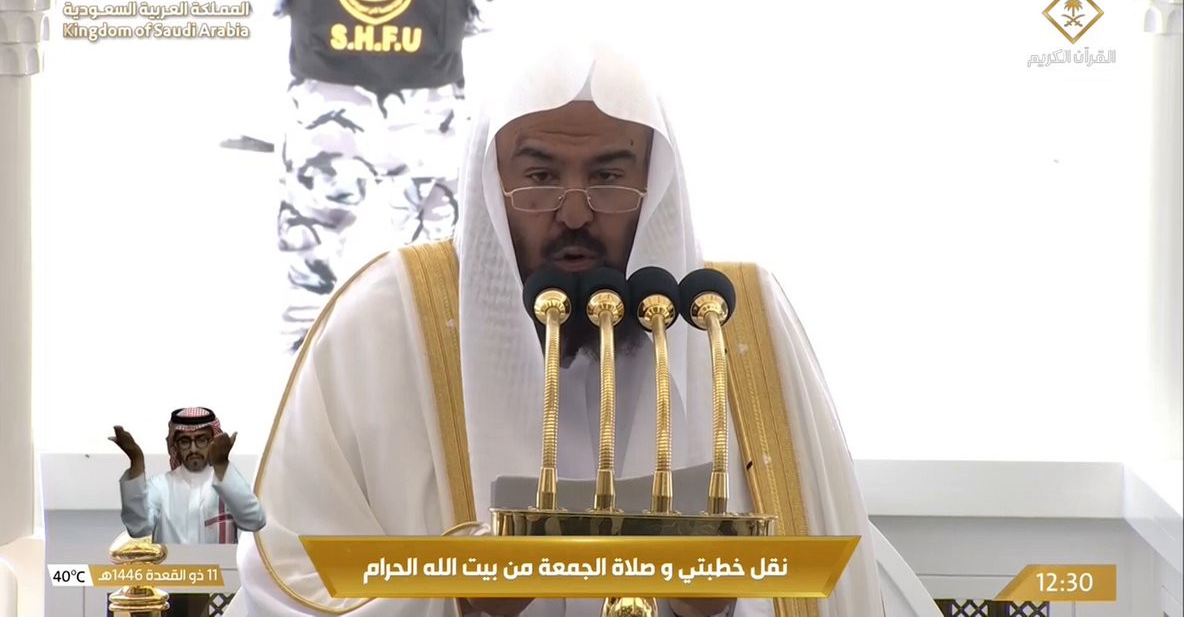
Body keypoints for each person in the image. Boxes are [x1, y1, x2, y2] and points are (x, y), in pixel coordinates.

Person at [234, 41, 905, 617]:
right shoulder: (385, 320)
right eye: (540, 177)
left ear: (655, 186)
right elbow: (289, 580)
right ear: (491, 183)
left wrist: (721, 602)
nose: (576, 213)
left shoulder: (732, 324)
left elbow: (837, 586)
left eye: (609, 177)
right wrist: (453, 594)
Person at [247, 0, 509, 354]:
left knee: (307, 284)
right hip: (427, 116)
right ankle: (438, 380)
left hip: (325, 111)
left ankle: (302, 379)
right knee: (436, 282)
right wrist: (443, 20)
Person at [110, 407, 266, 545]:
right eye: (185, 441)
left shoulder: (228, 482)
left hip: (220, 569)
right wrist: (136, 460)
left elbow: (255, 521)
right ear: (176, 446)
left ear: (213, 442)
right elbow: (138, 528)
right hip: (174, 569)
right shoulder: (159, 486)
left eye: (201, 440)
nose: (193, 449)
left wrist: (222, 464)